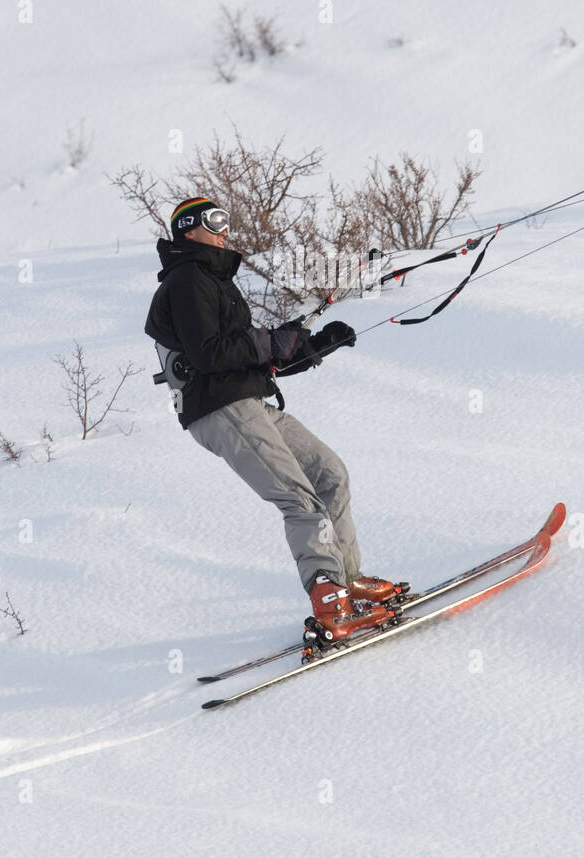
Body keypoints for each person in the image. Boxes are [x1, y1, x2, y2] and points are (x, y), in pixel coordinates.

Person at [144, 197, 404, 640]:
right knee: (299, 499)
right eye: (215, 221)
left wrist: (312, 346)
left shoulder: (213, 279)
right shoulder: (187, 279)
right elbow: (209, 355)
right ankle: (330, 601)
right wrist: (270, 343)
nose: (224, 228)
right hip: (221, 410)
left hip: (246, 401)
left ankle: (347, 579)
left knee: (330, 474)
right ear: (189, 229)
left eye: (226, 218)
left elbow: (250, 359)